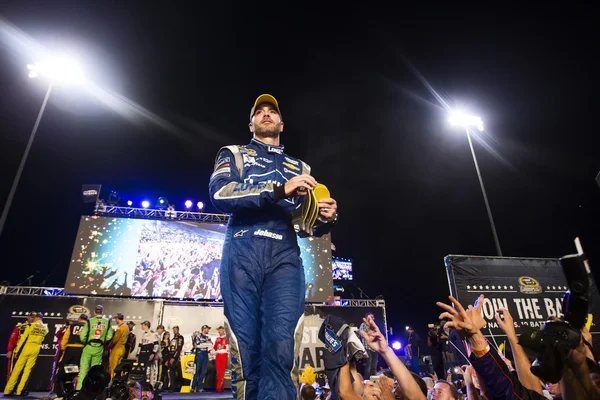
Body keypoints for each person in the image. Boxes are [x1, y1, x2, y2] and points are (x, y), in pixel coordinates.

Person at [208, 93, 338, 400]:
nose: (266, 114)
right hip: (242, 250)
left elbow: (305, 226)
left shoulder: (300, 166)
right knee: (246, 347)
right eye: (259, 111)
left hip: (285, 256)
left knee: (281, 346)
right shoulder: (234, 153)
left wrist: (325, 217)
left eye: (272, 112)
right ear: (251, 122)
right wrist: (280, 189)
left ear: (282, 123)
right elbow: (221, 192)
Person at [4, 312, 49, 396]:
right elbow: (45, 333)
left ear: (36, 317)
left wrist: (17, 351)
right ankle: (19, 391)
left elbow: (23, 339)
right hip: (36, 347)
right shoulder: (45, 327)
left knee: (17, 369)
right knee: (27, 370)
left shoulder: (30, 326)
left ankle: (8, 390)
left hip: (27, 346)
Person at [77, 305, 114, 390]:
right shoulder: (107, 322)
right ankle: (93, 390)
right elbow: (109, 336)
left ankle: (79, 390)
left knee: (83, 370)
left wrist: (85, 342)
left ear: (94, 312)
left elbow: (82, 336)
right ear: (102, 312)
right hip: (99, 348)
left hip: (89, 347)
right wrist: (102, 340)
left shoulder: (90, 321)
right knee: (95, 371)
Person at [54, 313, 88, 397]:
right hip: (81, 349)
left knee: (64, 367)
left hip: (70, 348)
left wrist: (63, 348)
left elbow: (66, 337)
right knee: (79, 369)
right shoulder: (88, 326)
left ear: (79, 318)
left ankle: (60, 389)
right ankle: (76, 388)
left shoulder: (72, 325)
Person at [5, 312, 33, 382]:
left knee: (26, 370)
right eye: (31, 317)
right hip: (18, 350)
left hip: (29, 350)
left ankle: (21, 388)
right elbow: (12, 338)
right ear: (27, 317)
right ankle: (10, 388)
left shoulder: (36, 327)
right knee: (14, 369)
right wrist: (10, 350)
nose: (33, 318)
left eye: (34, 317)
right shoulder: (20, 326)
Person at [137, 320, 160, 386]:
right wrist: (137, 355)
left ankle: (147, 384)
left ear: (146, 325)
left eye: (143, 325)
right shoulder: (143, 334)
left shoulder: (153, 334)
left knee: (148, 369)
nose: (142, 326)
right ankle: (141, 383)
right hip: (142, 354)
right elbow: (140, 345)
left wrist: (153, 353)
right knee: (141, 369)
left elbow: (156, 345)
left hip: (148, 354)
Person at [191, 325, 212, 393]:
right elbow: (197, 345)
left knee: (203, 372)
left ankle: (199, 387)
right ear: (204, 329)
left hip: (205, 354)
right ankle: (193, 387)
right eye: (207, 329)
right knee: (197, 371)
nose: (208, 330)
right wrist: (205, 344)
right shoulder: (198, 336)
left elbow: (211, 345)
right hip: (199, 355)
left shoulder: (208, 337)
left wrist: (203, 344)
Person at [108, 312, 129, 378]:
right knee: (119, 367)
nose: (115, 320)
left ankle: (112, 381)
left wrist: (109, 346)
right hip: (122, 348)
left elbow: (115, 340)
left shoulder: (120, 328)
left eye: (116, 318)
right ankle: (119, 380)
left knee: (113, 367)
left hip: (117, 348)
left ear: (117, 318)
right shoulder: (126, 327)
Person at [360, 312, 378, 377]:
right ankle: (367, 380)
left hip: (375, 348)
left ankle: (373, 380)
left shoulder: (375, 326)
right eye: (371, 317)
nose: (372, 319)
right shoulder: (363, 325)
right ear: (367, 318)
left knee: (374, 365)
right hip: (367, 347)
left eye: (373, 317)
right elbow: (363, 334)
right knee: (369, 365)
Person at [168, 325, 184, 391]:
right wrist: (169, 359)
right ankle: (172, 387)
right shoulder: (172, 339)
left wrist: (174, 358)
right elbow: (170, 350)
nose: (174, 330)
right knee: (171, 373)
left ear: (178, 330)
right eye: (173, 329)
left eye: (175, 329)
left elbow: (179, 348)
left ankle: (179, 387)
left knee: (179, 373)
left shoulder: (180, 337)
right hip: (171, 357)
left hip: (177, 358)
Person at [213, 325, 229, 393]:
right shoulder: (217, 339)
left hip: (224, 355)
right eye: (218, 330)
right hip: (218, 355)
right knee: (218, 372)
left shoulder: (227, 338)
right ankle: (221, 387)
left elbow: (229, 347)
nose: (219, 331)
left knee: (221, 372)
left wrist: (223, 347)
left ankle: (218, 387)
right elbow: (214, 347)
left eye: (220, 330)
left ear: (223, 330)